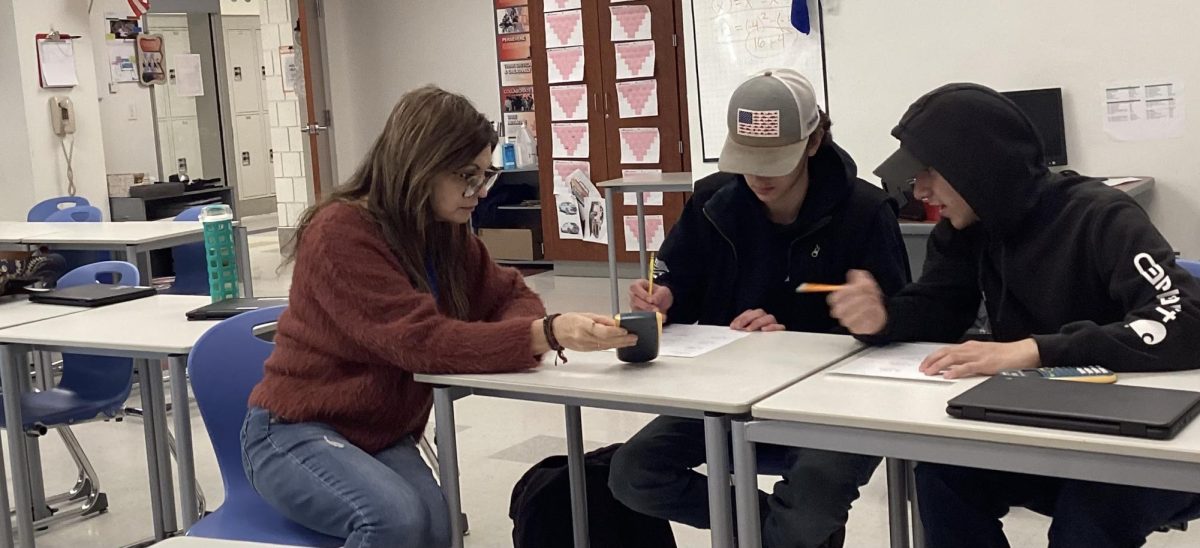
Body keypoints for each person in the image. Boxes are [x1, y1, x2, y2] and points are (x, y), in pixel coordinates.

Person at [241, 85, 637, 548]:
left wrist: (516, 333)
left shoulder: (443, 230)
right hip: (294, 429)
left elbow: (510, 293)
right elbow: (419, 343)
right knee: (395, 521)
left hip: (381, 430)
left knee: (438, 526)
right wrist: (542, 334)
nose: (479, 191)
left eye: (485, 174)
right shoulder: (340, 233)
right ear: (420, 165)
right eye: (467, 176)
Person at [828, 82, 1200, 548]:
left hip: (1138, 445)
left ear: (977, 168)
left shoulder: (1100, 216)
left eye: (929, 173)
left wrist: (1034, 351)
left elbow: (1185, 321)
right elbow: (939, 307)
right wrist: (881, 319)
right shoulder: (968, 228)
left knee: (1085, 524)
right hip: (1039, 427)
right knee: (941, 478)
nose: (918, 189)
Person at [608, 69, 911, 548]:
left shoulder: (865, 213)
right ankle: (776, 526)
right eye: (746, 159)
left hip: (830, 405)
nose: (758, 176)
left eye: (775, 160)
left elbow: (899, 330)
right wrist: (664, 297)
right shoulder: (714, 201)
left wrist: (806, 336)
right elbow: (672, 275)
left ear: (814, 143)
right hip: (729, 392)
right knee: (633, 472)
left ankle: (791, 530)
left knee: (811, 500)